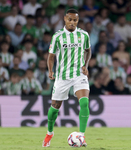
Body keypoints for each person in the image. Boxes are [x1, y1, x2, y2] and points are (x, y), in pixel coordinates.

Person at [42, 9, 91, 147]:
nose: (72, 22)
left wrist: (85, 65)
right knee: (55, 107)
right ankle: (49, 132)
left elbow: (88, 50)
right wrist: (51, 71)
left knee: (84, 103)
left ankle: (81, 135)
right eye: (70, 19)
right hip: (62, 75)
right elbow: (51, 56)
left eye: (75, 20)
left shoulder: (83, 35)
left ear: (78, 21)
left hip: (79, 74)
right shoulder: (57, 36)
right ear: (65, 19)